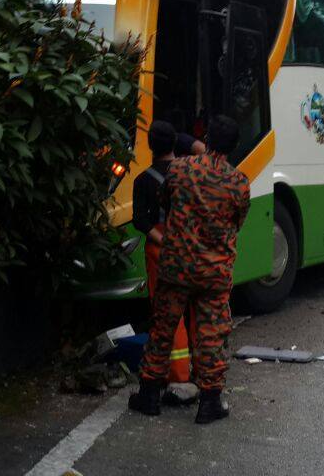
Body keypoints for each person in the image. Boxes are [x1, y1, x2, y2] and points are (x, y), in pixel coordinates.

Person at [129, 115, 250, 424]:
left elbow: (164, 200)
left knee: (163, 328)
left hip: (176, 266)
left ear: (206, 139)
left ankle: (149, 396)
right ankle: (210, 403)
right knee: (210, 334)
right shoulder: (238, 182)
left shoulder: (180, 168)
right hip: (214, 271)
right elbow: (237, 222)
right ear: (234, 146)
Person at [131, 121, 200, 387]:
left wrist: (163, 240)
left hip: (160, 252)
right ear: (175, 144)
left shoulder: (143, 180)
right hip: (192, 249)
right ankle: (202, 372)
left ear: (150, 145)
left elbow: (140, 221)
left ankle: (176, 373)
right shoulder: (191, 175)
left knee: (166, 314)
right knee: (195, 309)